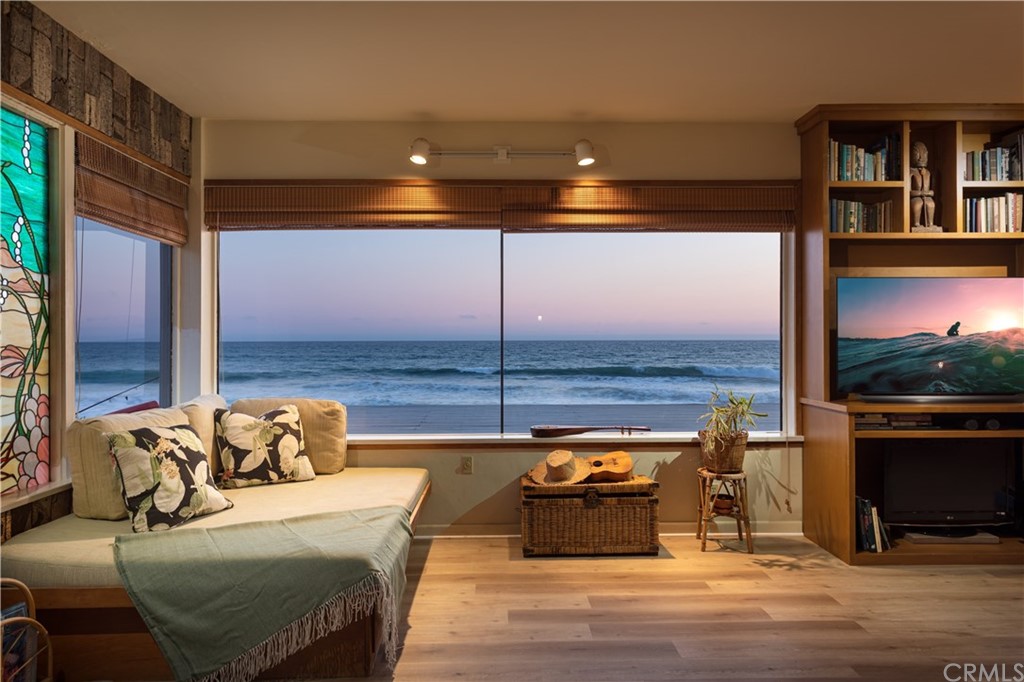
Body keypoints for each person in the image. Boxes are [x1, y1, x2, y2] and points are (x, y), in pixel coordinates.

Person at [910, 141, 936, 228]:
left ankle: (930, 224)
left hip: (927, 196)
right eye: (917, 154)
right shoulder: (911, 172)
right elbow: (909, 192)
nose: (921, 158)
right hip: (916, 197)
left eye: (924, 155)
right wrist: (920, 193)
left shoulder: (929, 173)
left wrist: (927, 193)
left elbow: (933, 191)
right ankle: (916, 223)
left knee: (931, 203)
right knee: (917, 203)